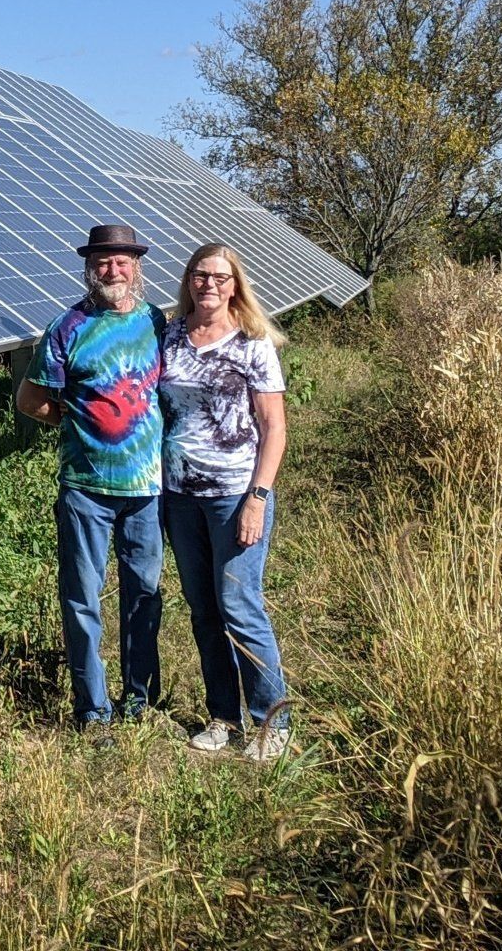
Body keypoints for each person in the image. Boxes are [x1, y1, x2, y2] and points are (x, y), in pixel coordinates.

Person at [15, 223, 169, 733]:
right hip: (85, 488)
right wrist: (81, 423)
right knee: (82, 597)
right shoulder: (68, 327)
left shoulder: (157, 323)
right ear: (89, 267)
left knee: (143, 594)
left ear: (137, 267)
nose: (113, 270)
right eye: (103, 261)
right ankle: (92, 707)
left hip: (146, 490)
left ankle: (140, 698)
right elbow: (31, 401)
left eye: (122, 261)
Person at [157, 242, 292, 761]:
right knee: (204, 609)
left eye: (218, 276)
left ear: (235, 284)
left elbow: (274, 427)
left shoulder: (253, 343)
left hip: (234, 493)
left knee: (240, 606)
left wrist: (257, 497)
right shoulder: (170, 335)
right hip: (180, 496)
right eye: (199, 274)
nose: (207, 283)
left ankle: (272, 723)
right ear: (188, 281)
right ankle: (224, 719)